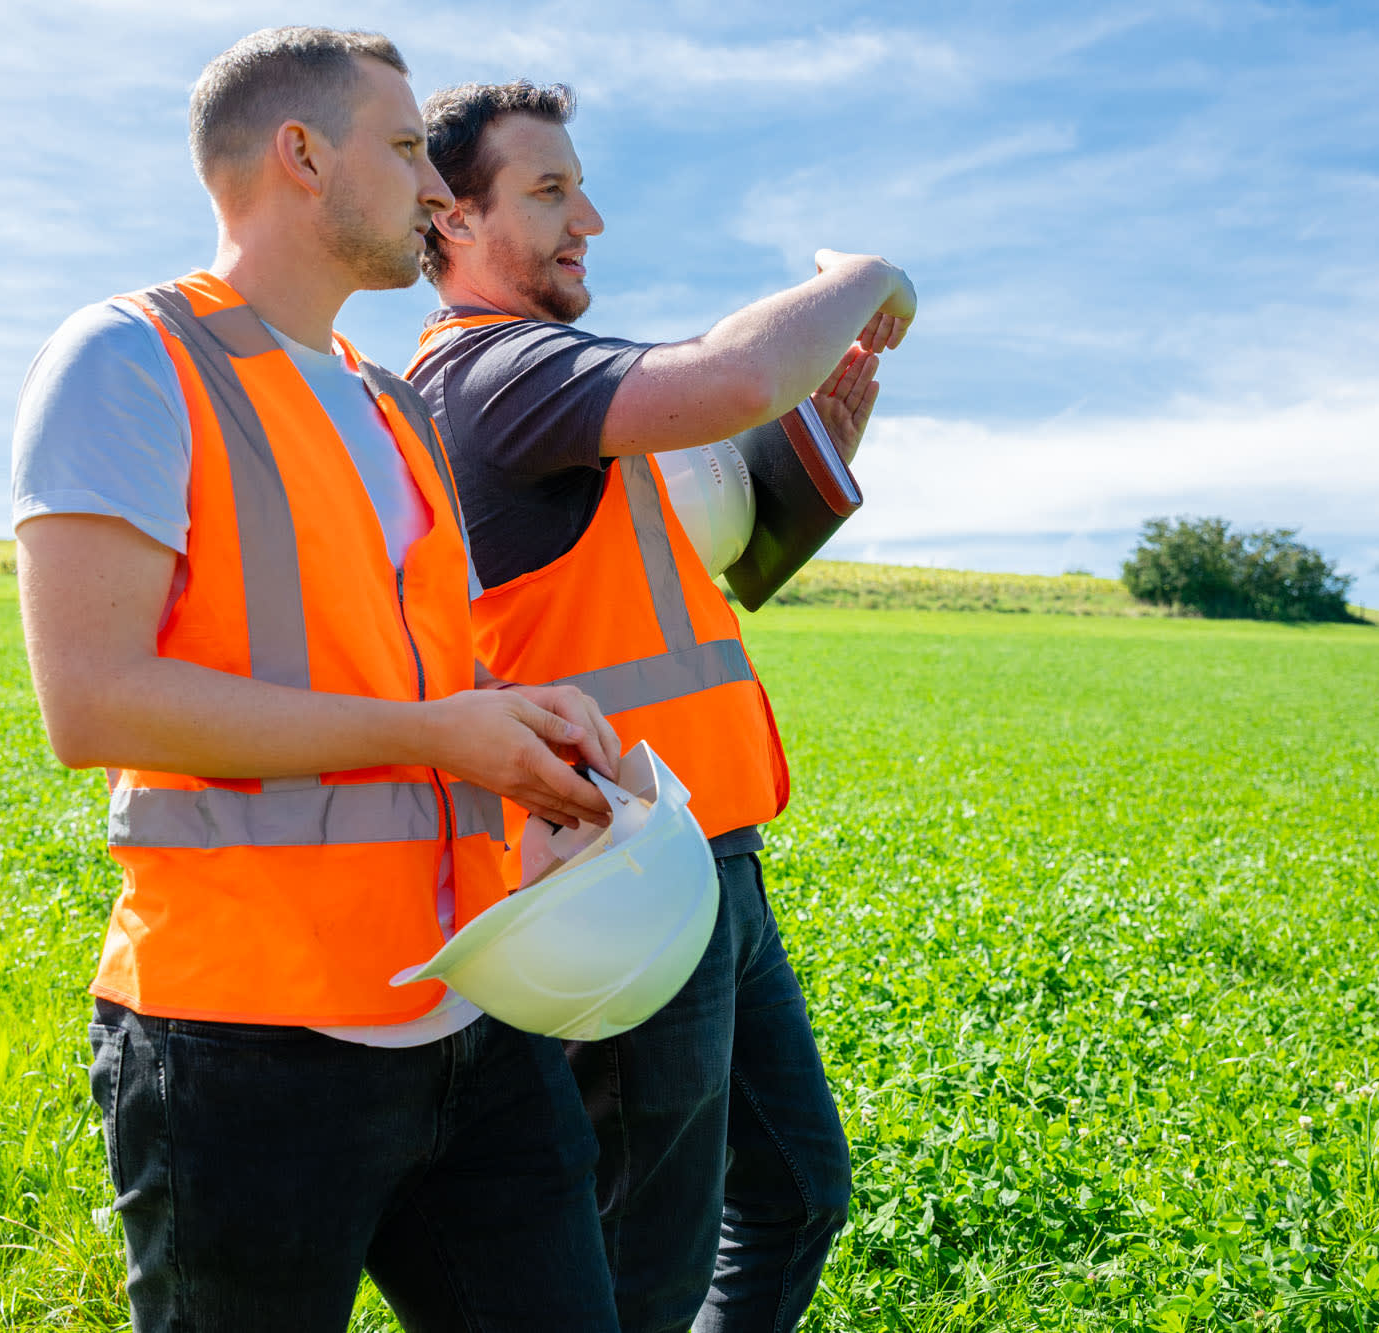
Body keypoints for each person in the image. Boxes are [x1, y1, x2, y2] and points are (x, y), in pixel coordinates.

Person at [10, 31, 626, 1333]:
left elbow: (425, 674)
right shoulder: (131, 359)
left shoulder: (396, 406)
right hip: (246, 1049)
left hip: (475, 1013)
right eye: (406, 150)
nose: (435, 190)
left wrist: (537, 748)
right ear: (300, 154)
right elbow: (95, 701)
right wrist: (434, 733)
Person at [405, 82, 914, 1333]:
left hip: (712, 859)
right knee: (643, 1270)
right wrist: (866, 275)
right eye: (547, 189)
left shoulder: (559, 391)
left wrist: (805, 463)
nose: (589, 215)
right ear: (450, 219)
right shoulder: (492, 371)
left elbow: (709, 578)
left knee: (794, 1196)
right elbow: (733, 372)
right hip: (621, 868)